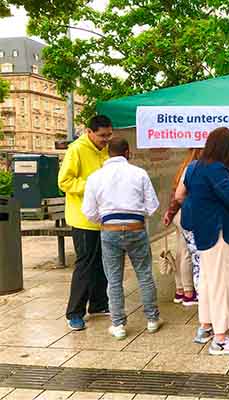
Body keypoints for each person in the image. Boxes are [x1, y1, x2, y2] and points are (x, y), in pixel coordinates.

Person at [81, 138, 163, 339]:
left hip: (110, 230)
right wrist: (136, 212)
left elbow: (88, 211)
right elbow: (153, 206)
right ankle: (152, 320)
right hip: (136, 229)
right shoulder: (139, 173)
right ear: (127, 152)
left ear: (109, 153)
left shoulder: (95, 177)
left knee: (114, 279)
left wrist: (106, 218)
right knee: (144, 274)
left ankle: (118, 325)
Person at [187, 127, 229, 355]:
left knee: (208, 280)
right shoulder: (217, 168)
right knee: (223, 283)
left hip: (204, 232)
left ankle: (205, 326)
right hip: (221, 232)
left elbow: (184, 194)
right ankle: (221, 339)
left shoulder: (194, 167)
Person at [58, 115, 112, 331]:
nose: (106, 140)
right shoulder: (76, 149)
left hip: (104, 217)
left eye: (109, 135)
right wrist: (92, 186)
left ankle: (98, 304)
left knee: (102, 262)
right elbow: (64, 181)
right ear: (89, 132)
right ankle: (74, 312)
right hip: (82, 218)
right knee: (85, 264)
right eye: (102, 136)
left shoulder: (106, 150)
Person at [163, 149, 202, 306]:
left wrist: (170, 213)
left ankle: (180, 290)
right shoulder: (195, 168)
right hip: (187, 213)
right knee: (186, 253)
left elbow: (175, 195)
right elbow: (180, 196)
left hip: (178, 214)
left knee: (181, 252)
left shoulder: (184, 167)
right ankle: (188, 292)